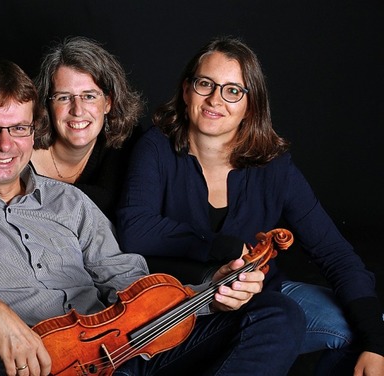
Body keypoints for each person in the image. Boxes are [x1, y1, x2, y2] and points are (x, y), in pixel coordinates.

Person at [0, 59, 306, 376]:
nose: (6, 144)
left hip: (131, 349)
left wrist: (209, 294)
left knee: (277, 314)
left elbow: (129, 286)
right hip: (58, 368)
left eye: (19, 128)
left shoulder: (71, 203)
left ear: (34, 130)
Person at [115, 36, 384, 376]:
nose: (215, 99)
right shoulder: (155, 147)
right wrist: (219, 247)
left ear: (251, 105)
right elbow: (134, 228)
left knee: (370, 328)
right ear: (186, 91)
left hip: (258, 301)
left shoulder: (274, 166)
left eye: (233, 91)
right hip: (178, 307)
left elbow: (335, 253)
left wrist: (376, 344)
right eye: (205, 84)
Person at [30, 36, 144, 222]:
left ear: (108, 102)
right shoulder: (17, 148)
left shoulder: (126, 139)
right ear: (47, 104)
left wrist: (38, 195)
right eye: (64, 97)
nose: (77, 110)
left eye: (89, 96)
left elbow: (112, 199)